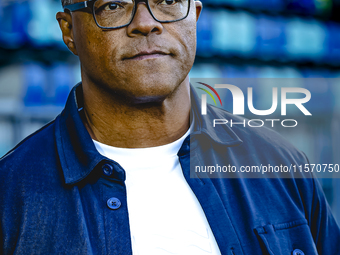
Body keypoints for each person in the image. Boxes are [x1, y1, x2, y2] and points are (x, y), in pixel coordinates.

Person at [0, 0, 339, 254]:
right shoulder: (10, 194)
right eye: (114, 5)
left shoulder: (280, 164)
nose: (147, 24)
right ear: (68, 31)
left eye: (167, 1)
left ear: (195, 15)